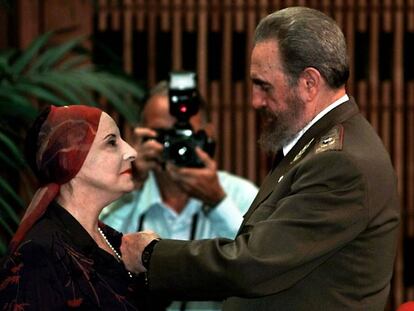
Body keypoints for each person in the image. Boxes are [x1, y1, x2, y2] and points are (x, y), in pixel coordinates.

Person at [120, 6, 401, 311]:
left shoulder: (340, 163)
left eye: (263, 85)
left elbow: (253, 264)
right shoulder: (312, 146)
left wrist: (152, 256)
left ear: (309, 83)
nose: (254, 101)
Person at [100, 81, 258, 311]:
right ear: (139, 136)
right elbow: (97, 259)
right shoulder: (124, 198)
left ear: (207, 135)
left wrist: (217, 202)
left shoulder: (240, 195)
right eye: (162, 135)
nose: (175, 146)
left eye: (183, 134)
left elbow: (257, 266)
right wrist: (131, 181)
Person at [0, 105, 143, 310]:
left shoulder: (112, 239)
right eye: (112, 142)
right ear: (70, 158)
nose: (132, 152)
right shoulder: (39, 255)